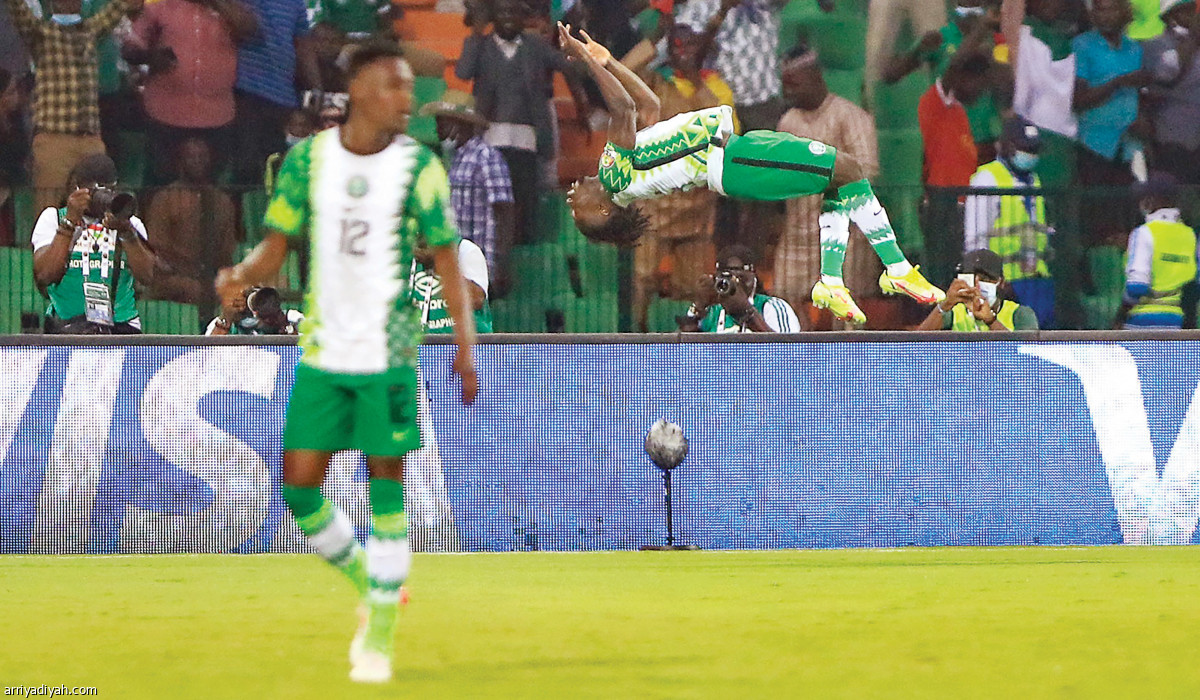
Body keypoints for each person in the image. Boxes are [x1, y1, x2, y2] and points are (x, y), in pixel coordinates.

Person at [214, 42, 477, 684]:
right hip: (325, 349)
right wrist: (241, 272)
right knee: (299, 486)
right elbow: (276, 247)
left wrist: (466, 344)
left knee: (387, 487)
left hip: (390, 351)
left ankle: (378, 635)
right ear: (357, 89)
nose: (407, 99)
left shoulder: (420, 167)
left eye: (409, 86)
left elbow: (447, 259)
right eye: (394, 85)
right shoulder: (307, 161)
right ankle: (370, 581)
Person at [557, 23, 944, 325]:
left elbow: (648, 105)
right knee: (846, 168)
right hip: (733, 164)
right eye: (577, 212)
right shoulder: (616, 179)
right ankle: (895, 269)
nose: (571, 197)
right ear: (603, 211)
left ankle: (832, 281)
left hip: (738, 150)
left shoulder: (618, 168)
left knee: (839, 175)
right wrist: (589, 60)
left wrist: (609, 62)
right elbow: (624, 108)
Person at [622, 21, 733, 332]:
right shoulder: (653, 85)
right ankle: (634, 336)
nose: (683, 52)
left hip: (697, 208)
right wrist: (655, 39)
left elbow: (724, 134)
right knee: (642, 278)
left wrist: (695, 80)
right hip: (653, 204)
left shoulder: (717, 88)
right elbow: (621, 72)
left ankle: (692, 342)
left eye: (689, 46)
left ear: (702, 49)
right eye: (676, 47)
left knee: (694, 286)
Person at [456, 0, 589, 243]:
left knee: (525, 202)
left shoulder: (535, 46)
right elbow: (462, 72)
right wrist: (476, 32)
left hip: (527, 140)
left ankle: (523, 251)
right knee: (494, 202)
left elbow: (568, 67)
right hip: (490, 138)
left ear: (523, 18)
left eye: (513, 12)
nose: (508, 17)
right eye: (501, 12)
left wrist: (582, 108)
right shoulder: (482, 45)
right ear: (493, 17)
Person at [774, 46, 881, 322]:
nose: (788, 92)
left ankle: (847, 352)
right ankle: (797, 350)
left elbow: (868, 170)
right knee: (783, 300)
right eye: (785, 85)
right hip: (798, 235)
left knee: (845, 314)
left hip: (844, 235)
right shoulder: (788, 121)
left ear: (815, 77)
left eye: (794, 84)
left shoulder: (851, 116)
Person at [3, 0, 132, 212]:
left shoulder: (89, 31)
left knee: (99, 210)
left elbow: (118, 7)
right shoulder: (40, 34)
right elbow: (18, 9)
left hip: (90, 140)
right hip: (53, 139)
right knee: (48, 211)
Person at [121, 0, 258, 186]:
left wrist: (217, 3)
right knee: (160, 187)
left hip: (217, 118)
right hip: (165, 116)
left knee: (214, 191)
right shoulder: (160, 5)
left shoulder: (230, 7)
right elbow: (130, 48)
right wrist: (151, 57)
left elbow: (250, 30)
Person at [31, 153, 160, 333]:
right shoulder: (53, 218)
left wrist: (127, 234)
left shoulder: (131, 223)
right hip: (67, 325)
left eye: (108, 190)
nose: (101, 198)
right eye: (95, 192)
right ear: (77, 188)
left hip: (121, 325)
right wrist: (69, 224)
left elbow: (147, 277)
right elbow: (45, 275)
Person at [419, 90, 515, 296]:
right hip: (456, 262)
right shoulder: (454, 161)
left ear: (459, 124)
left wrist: (501, 263)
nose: (438, 131)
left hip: (480, 262)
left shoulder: (486, 157)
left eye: (442, 124)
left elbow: (504, 210)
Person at [963, 117, 1055, 327]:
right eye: (1025, 149)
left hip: (1038, 280)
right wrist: (989, 284)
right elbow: (975, 239)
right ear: (1007, 147)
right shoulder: (987, 179)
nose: (1031, 155)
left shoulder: (1033, 180)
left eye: (1034, 150)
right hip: (1006, 284)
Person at [885, 0, 1004, 160]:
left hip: (984, 144)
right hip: (945, 143)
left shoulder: (996, 40)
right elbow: (891, 75)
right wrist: (916, 52)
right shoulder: (941, 37)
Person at [143, 137, 239, 305]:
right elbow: (157, 248)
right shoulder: (165, 198)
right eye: (191, 156)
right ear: (180, 161)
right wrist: (186, 273)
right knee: (195, 290)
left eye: (202, 156)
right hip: (171, 278)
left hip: (211, 278)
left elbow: (226, 250)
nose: (197, 161)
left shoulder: (222, 201)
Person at [1119, 171, 1197, 329]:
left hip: (1141, 320)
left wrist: (1119, 317)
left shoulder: (1144, 233)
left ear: (1152, 200)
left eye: (1145, 197)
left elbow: (1137, 287)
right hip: (1175, 318)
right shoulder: (1189, 235)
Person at [678, 244, 801, 332]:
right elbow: (681, 353)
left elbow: (787, 353)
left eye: (739, 278)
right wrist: (698, 306)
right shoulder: (712, 312)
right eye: (726, 277)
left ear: (753, 276)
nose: (734, 284)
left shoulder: (771, 307)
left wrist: (746, 311)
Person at [918, 51, 994, 188]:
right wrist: (978, 35)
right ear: (962, 77)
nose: (980, 92)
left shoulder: (960, 113)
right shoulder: (937, 104)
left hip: (965, 197)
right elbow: (954, 67)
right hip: (942, 196)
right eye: (979, 84)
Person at [1143, 0, 1200, 184]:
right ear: (1170, 17)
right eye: (1184, 11)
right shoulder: (1155, 46)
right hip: (1172, 139)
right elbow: (1165, 75)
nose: (1192, 17)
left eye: (1192, 11)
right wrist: (1192, 40)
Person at [917, 249, 1040, 330]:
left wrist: (991, 321)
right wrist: (945, 305)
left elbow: (1026, 354)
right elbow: (916, 346)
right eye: (971, 279)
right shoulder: (954, 312)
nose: (977, 286)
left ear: (1001, 282)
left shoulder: (1019, 314)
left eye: (985, 279)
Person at [206, 285, 302, 334]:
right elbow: (206, 355)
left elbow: (308, 352)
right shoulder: (224, 323)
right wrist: (226, 320)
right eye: (245, 294)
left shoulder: (291, 318)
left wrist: (283, 324)